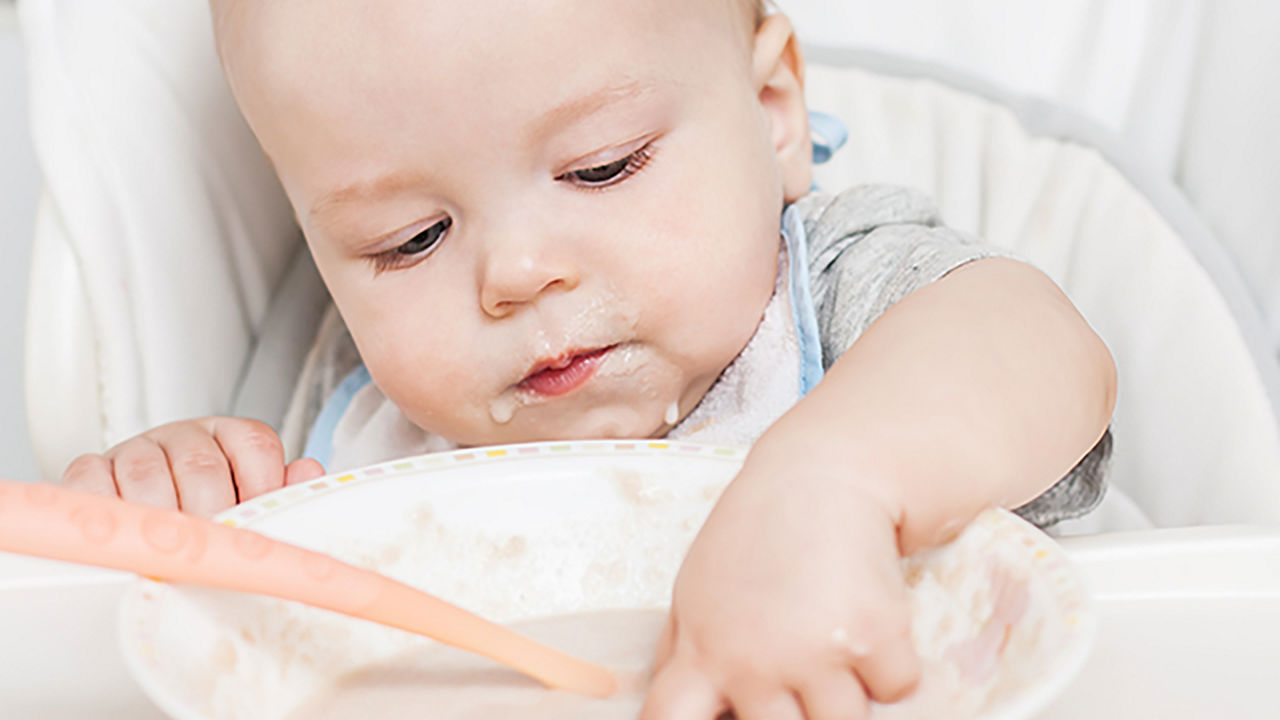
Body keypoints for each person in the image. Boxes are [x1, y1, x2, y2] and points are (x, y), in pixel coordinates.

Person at [61, 0, 1116, 716]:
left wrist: (831, 483)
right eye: (409, 239)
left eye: (601, 168)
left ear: (770, 114)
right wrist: (191, 498)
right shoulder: (372, 435)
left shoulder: (835, 295)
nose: (515, 274)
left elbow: (1034, 344)